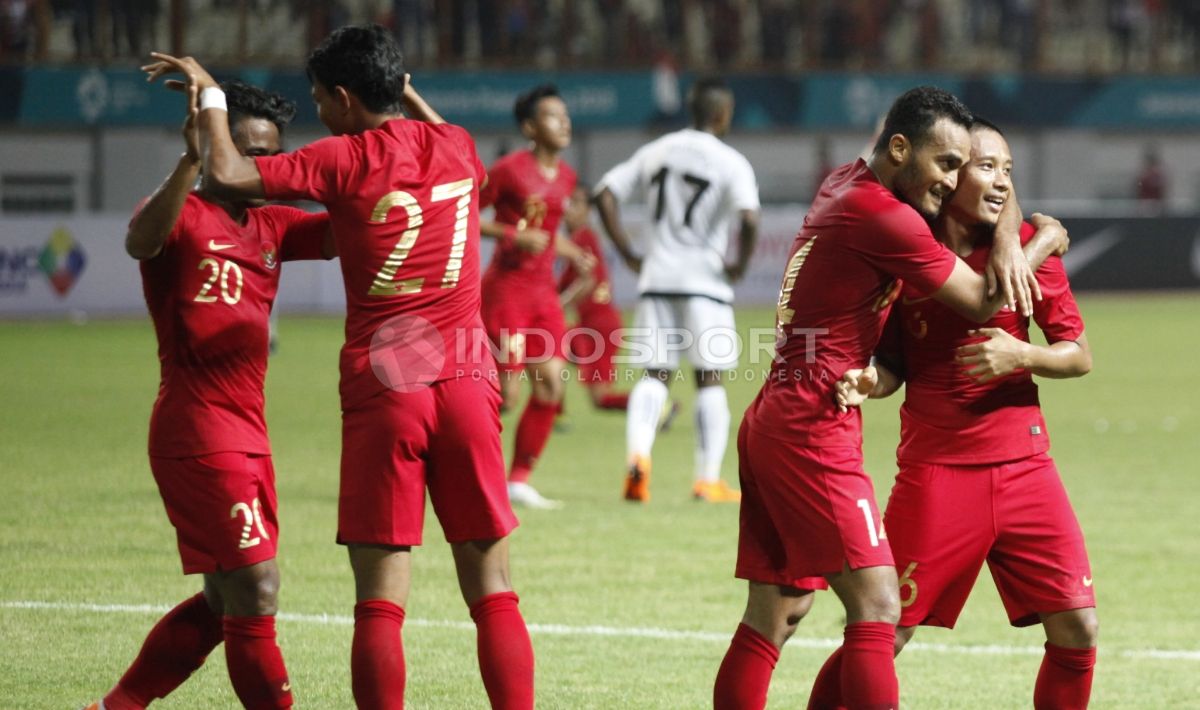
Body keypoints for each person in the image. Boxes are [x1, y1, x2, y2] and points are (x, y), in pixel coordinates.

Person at [144, 24, 535, 710]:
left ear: (347, 99)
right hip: (470, 383)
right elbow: (470, 178)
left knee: (380, 603)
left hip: (388, 390)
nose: (319, 109)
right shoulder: (456, 146)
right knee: (492, 584)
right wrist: (406, 89)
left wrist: (209, 97)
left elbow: (231, 174)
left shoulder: (342, 158)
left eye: (323, 97)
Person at [710, 86, 1063, 710]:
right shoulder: (884, 217)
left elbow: (990, 197)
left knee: (777, 611)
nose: (954, 183)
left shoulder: (849, 182)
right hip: (812, 424)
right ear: (900, 148)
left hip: (779, 411)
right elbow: (984, 300)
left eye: (962, 166)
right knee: (877, 605)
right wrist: (1041, 240)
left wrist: (1006, 229)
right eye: (946, 164)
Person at [834, 118, 1097, 709]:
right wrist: (873, 379)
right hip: (938, 471)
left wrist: (1021, 354)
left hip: (1028, 467)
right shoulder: (909, 251)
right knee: (886, 629)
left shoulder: (1024, 243)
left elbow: (1079, 355)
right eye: (985, 167)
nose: (1001, 181)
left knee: (1078, 628)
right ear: (948, 175)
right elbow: (896, 362)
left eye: (1008, 169)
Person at [87, 80, 332, 710]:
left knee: (224, 598)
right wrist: (192, 159)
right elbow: (139, 242)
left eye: (266, 157)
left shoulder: (273, 223)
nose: (254, 167)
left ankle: (115, 707)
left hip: (249, 435)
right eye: (242, 150)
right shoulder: (182, 213)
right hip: (197, 431)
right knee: (258, 588)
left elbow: (348, 231)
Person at [594, 76, 759, 504]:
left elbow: (605, 194)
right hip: (705, 283)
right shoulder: (731, 161)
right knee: (710, 380)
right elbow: (750, 218)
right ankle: (707, 479)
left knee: (654, 375)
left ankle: (638, 460)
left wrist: (629, 252)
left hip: (657, 278)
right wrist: (739, 264)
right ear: (724, 114)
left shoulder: (657, 150)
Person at [478, 83, 594, 510]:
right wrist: (511, 233)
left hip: (543, 295)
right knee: (506, 396)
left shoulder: (566, 176)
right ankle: (462, 465)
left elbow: (545, 233)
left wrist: (570, 251)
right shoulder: (509, 170)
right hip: (506, 292)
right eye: (552, 116)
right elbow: (466, 212)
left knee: (550, 386)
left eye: (565, 115)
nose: (563, 122)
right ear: (530, 127)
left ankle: (518, 481)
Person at [557, 184, 632, 415]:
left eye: (576, 203)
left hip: (598, 328)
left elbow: (587, 282)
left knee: (600, 399)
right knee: (547, 351)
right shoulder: (579, 239)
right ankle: (552, 412)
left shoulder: (583, 238)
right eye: (567, 202)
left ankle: (654, 403)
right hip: (591, 326)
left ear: (589, 211)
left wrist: (557, 307)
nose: (568, 209)